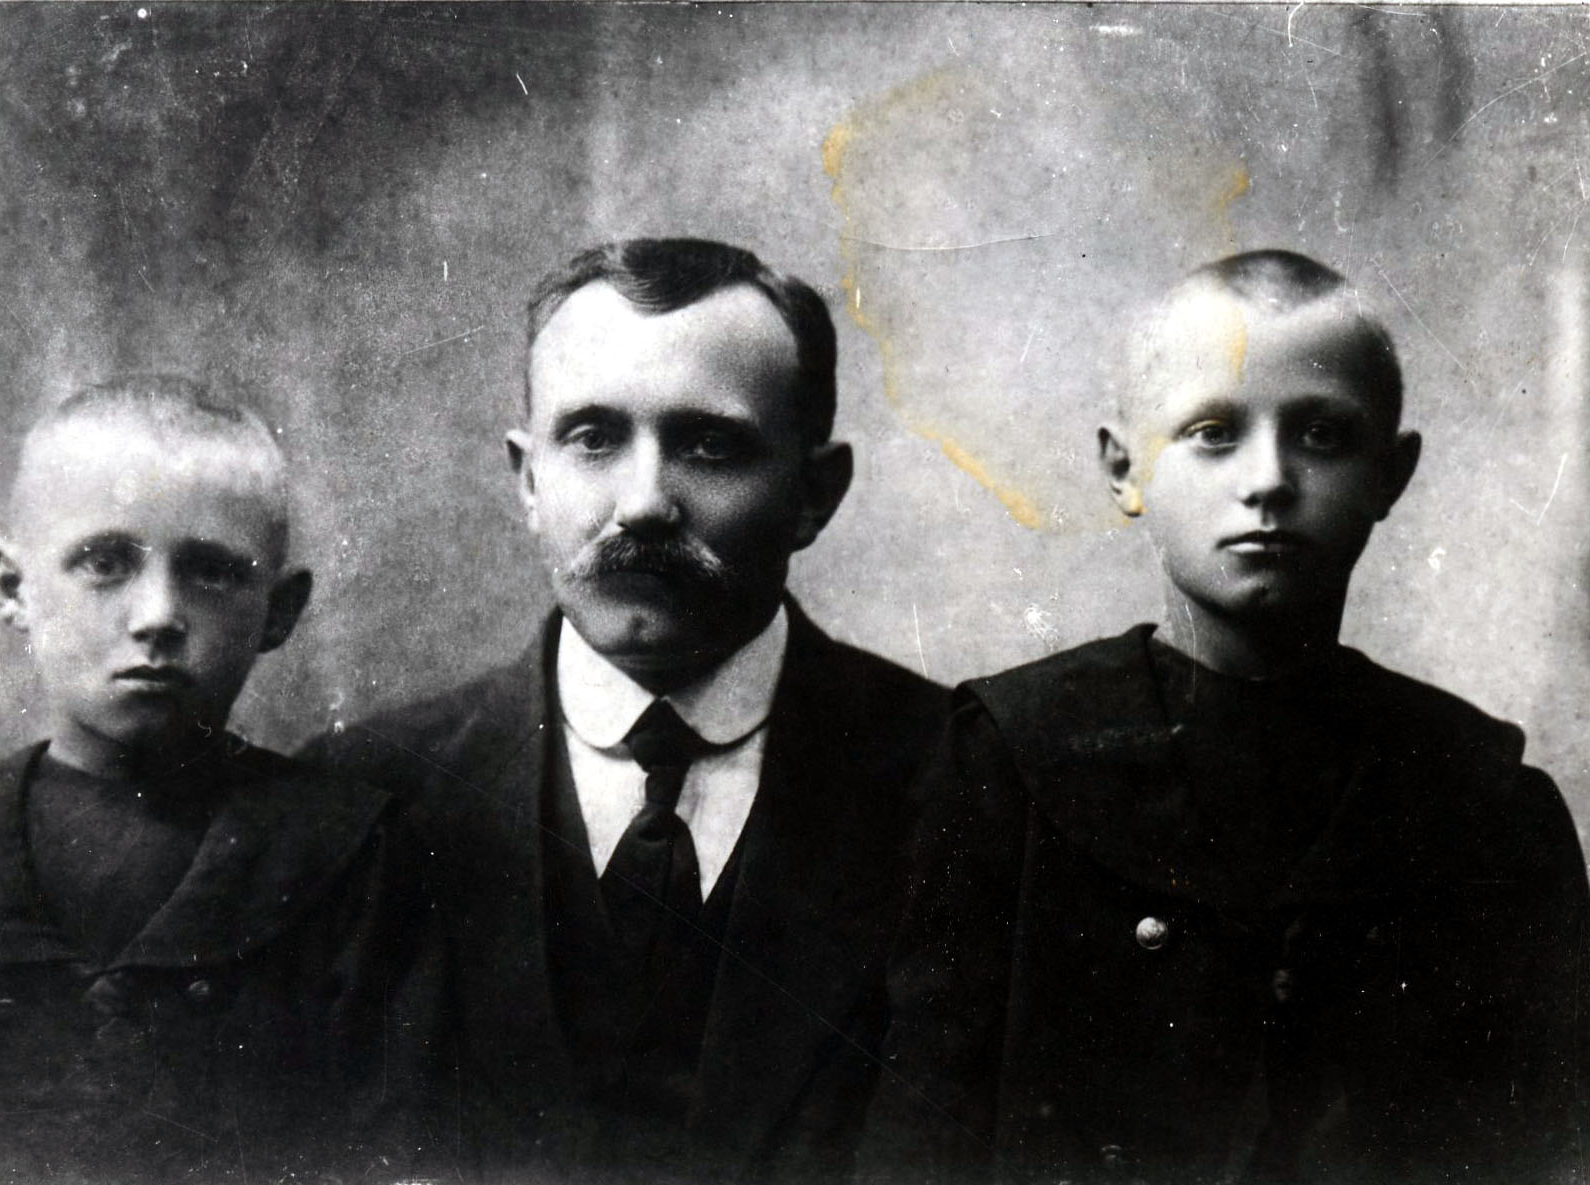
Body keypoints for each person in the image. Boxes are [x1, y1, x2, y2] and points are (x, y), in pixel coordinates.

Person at [863, 250, 1589, 1184]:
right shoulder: (1008, 757)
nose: (1269, 479)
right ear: (1124, 468)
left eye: (1322, 434)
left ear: (1391, 473)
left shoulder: (1484, 800)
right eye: (1211, 433)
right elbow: (921, 1133)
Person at [303, 238, 947, 1183]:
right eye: (593, 438)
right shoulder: (362, 796)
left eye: (710, 445)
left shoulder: (958, 779)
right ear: (528, 479)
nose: (644, 504)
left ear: (814, 494)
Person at [0, 377, 419, 1184]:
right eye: (104, 563)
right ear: (13, 587)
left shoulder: (355, 863)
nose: (157, 614)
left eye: (211, 571)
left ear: (279, 610)